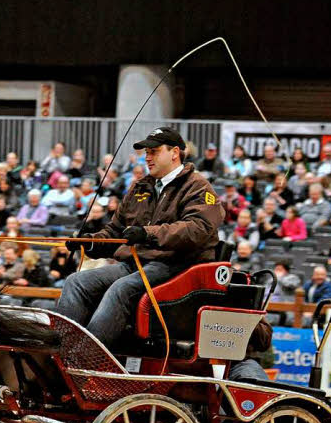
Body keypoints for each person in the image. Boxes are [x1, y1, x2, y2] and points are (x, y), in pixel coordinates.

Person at [56, 126, 224, 347]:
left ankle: (87, 356)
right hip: (137, 263)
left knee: (122, 288)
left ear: (174, 152)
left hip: (177, 265)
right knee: (76, 281)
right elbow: (115, 230)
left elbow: (198, 229)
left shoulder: (198, 187)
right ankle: (59, 349)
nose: (148, 157)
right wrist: (92, 242)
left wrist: (147, 234)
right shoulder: (140, 187)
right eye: (146, 153)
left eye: (153, 151)